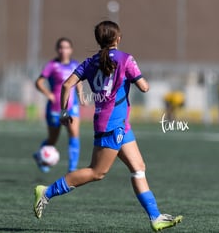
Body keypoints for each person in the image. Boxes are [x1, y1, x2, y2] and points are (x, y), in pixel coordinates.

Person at [33, 21, 182, 231]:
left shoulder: (90, 61)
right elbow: (145, 87)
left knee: (138, 168)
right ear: (117, 39)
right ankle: (46, 192)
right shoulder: (125, 58)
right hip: (113, 125)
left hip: (117, 123)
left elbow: (67, 85)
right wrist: (140, 80)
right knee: (96, 172)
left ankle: (155, 217)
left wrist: (65, 112)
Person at [33, 37, 84, 173]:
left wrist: (81, 95)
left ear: (71, 50)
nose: (63, 50)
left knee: (74, 133)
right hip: (56, 108)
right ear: (57, 50)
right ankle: (40, 156)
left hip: (71, 106)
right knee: (53, 139)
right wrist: (49, 94)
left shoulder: (75, 65)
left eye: (66, 47)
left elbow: (78, 81)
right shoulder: (52, 65)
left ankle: (72, 168)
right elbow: (38, 82)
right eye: (61, 47)